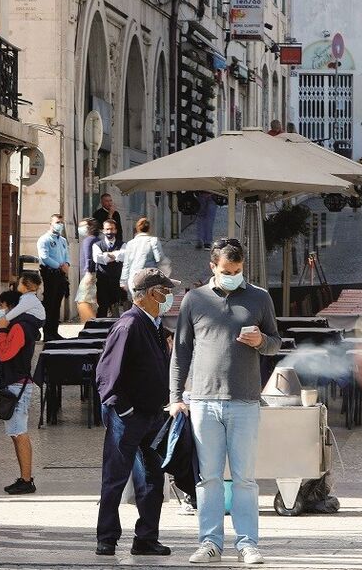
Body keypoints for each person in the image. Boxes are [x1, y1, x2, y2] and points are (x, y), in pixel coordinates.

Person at [169, 238, 281, 565]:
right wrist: (176, 397)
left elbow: (275, 342)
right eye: (226, 270)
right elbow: (182, 351)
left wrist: (262, 340)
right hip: (203, 400)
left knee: (245, 477)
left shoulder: (259, 298)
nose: (232, 275)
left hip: (245, 400)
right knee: (209, 478)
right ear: (212, 267)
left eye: (238, 270)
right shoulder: (194, 299)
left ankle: (247, 543)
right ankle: (210, 542)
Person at [95, 268, 180, 557]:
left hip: (152, 416)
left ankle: (146, 538)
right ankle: (106, 538)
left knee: (153, 479)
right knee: (116, 478)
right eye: (165, 291)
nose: (169, 296)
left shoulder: (154, 325)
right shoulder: (129, 325)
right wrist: (126, 410)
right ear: (149, 295)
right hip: (129, 417)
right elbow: (107, 375)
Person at [0, 288, 44, 495]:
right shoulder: (20, 326)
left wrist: (2, 331)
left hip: (17, 385)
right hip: (13, 383)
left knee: (20, 432)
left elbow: (5, 354)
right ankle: (24, 477)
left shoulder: (19, 328)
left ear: (11, 307)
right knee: (15, 433)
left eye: (2, 307)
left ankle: (26, 479)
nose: (0, 311)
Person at [37, 213, 70, 341]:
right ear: (50, 224)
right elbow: (44, 257)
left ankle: (54, 331)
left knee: (57, 304)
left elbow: (66, 254)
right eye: (57, 222)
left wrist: (66, 264)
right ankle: (47, 333)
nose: (59, 225)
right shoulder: (44, 239)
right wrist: (58, 266)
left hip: (61, 274)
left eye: (61, 222)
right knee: (49, 303)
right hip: (50, 273)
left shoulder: (62, 240)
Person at [120, 217, 164, 298]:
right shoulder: (153, 241)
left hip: (134, 279)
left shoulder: (130, 243)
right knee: (149, 304)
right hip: (149, 278)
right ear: (149, 229)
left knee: (137, 303)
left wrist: (123, 282)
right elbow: (159, 258)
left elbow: (126, 264)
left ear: (137, 229)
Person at [94, 219, 126, 318]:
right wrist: (116, 256)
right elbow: (97, 258)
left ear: (116, 230)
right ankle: (99, 331)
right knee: (102, 307)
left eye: (112, 229)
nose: (109, 232)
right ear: (103, 231)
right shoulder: (97, 245)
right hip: (102, 280)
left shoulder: (123, 244)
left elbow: (124, 256)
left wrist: (107, 255)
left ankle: (115, 330)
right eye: (107, 229)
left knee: (115, 307)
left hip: (116, 280)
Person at [77, 217, 101, 322]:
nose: (80, 228)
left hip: (90, 274)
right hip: (95, 273)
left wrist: (88, 273)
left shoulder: (88, 240)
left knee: (82, 300)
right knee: (91, 301)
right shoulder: (98, 239)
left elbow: (89, 258)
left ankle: (88, 323)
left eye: (83, 226)